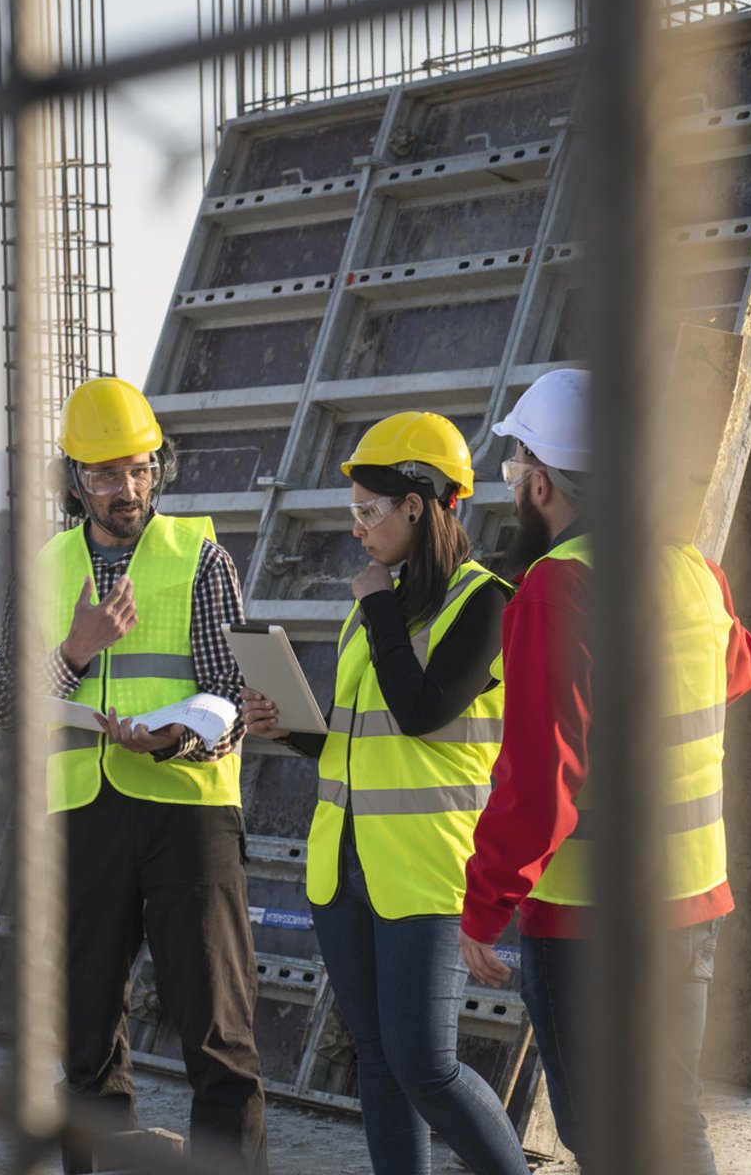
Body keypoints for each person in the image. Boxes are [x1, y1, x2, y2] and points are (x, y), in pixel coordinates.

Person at [455, 368, 751, 1175]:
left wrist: (486, 905)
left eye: (514, 473)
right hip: (692, 897)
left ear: (543, 482)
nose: (513, 489)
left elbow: (537, 781)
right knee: (673, 1120)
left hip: (589, 919)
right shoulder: (692, 568)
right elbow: (738, 669)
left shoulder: (559, 586)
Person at [0, 376, 266, 1173]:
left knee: (219, 1040)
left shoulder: (200, 559)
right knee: (84, 1039)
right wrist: (76, 649)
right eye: (106, 475)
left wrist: (178, 736)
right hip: (80, 818)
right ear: (75, 479)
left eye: (140, 469)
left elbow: (232, 695)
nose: (128, 489)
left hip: (188, 815)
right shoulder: (44, 569)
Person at [240, 413, 530, 1175]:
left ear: (422, 505)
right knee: (377, 1060)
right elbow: (359, 737)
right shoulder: (379, 605)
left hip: (429, 873)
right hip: (344, 868)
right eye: (353, 513)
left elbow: (424, 711)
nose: (359, 530)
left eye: (371, 512)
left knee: (426, 1067)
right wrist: (289, 729)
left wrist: (376, 608)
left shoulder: (485, 603)